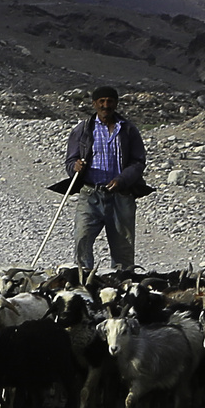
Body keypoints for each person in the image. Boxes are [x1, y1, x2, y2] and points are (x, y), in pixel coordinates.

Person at [63, 86, 147, 273]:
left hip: (121, 196)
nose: (105, 105)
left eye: (110, 101)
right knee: (82, 240)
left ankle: (122, 286)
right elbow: (70, 161)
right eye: (101, 101)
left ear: (116, 103)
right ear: (94, 104)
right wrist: (74, 167)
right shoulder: (83, 129)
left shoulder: (128, 129)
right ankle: (84, 283)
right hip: (90, 194)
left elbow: (139, 161)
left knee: (123, 249)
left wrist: (122, 179)